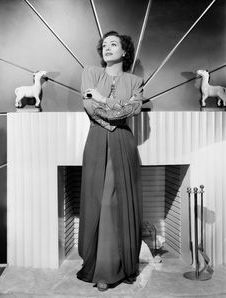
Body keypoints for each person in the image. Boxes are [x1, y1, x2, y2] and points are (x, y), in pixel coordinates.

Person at [77, 31, 143, 291]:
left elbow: (134, 109)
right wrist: (117, 109)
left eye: (114, 44)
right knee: (97, 202)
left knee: (113, 203)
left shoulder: (135, 80)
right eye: (104, 45)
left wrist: (104, 100)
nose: (108, 47)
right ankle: (97, 262)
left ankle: (110, 269)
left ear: (125, 51)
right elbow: (90, 108)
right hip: (96, 141)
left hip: (123, 144)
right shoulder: (90, 73)